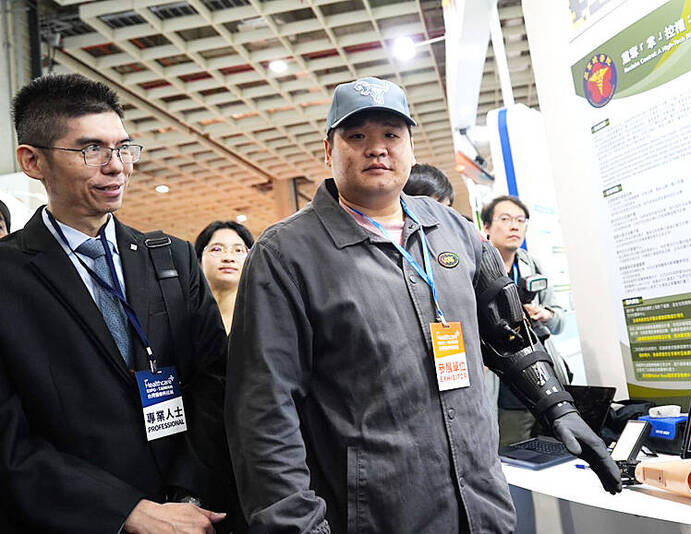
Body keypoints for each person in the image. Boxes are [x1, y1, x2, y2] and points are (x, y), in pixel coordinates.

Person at [225, 76, 620, 533]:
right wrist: (296, 526)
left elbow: (507, 331)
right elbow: (263, 413)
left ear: (410, 147)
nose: (377, 149)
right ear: (328, 152)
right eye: (357, 136)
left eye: (391, 135)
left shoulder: (452, 229)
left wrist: (557, 406)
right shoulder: (286, 254)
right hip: (380, 515)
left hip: (482, 503)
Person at [0, 74, 235, 533]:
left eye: (124, 148)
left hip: (193, 514)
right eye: (92, 150)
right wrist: (124, 511)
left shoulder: (172, 258)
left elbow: (214, 381)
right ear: (32, 161)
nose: (117, 167)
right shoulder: (9, 277)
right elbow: (9, 437)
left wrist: (187, 494)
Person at [481, 195, 569, 445]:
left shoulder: (532, 266)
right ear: (486, 227)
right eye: (505, 219)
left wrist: (546, 315)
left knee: (555, 450)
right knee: (511, 453)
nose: (515, 226)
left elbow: (559, 321)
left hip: (543, 377)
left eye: (521, 220)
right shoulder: (474, 268)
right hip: (503, 387)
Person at [195, 221, 254, 334]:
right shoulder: (185, 318)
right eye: (217, 249)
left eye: (238, 250)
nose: (228, 258)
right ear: (199, 260)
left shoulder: (261, 317)